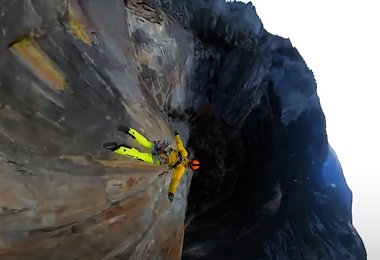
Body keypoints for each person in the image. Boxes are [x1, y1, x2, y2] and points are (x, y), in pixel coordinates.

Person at [103, 126, 200, 202]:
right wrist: (171, 193)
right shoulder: (181, 169)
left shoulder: (184, 153)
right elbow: (175, 180)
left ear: (191, 160)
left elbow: (179, 144)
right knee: (140, 156)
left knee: (145, 142)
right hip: (159, 159)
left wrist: (177, 135)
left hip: (161, 148)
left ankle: (129, 130)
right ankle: (117, 148)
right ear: (190, 167)